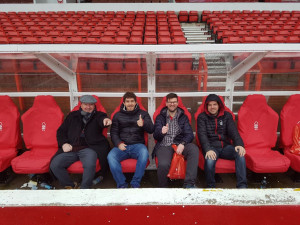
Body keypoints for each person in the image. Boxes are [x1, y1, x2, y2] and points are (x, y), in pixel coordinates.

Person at [50, 95, 111, 189]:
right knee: (55, 164)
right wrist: (64, 143)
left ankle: (84, 188)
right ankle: (69, 185)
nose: (88, 107)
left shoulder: (99, 115)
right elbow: (61, 131)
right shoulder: (72, 115)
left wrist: (106, 120)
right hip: (71, 147)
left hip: (89, 148)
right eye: (85, 104)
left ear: (94, 106)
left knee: (90, 165)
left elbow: (102, 119)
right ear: (81, 105)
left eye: (91, 105)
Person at [197, 94, 247, 188]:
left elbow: (234, 132)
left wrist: (239, 144)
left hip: (225, 147)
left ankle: (242, 186)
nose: (212, 107)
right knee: (210, 161)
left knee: (240, 154)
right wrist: (207, 149)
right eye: (210, 105)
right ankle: (211, 187)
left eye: (214, 104)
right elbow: (202, 135)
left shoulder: (226, 116)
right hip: (211, 147)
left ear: (219, 105)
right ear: (206, 106)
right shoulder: (202, 117)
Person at [108, 92, 154, 188]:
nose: (130, 103)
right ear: (124, 103)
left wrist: (143, 124)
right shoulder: (117, 115)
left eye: (132, 101)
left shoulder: (143, 114)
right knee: (110, 156)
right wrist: (118, 143)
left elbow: (151, 129)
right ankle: (122, 184)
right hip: (122, 145)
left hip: (138, 145)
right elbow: (114, 133)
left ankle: (135, 183)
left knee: (144, 153)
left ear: (136, 102)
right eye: (127, 101)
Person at [153, 93, 199, 188]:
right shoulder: (160, 117)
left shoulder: (183, 116)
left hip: (180, 143)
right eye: (170, 102)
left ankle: (189, 184)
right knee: (164, 164)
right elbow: (156, 135)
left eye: (174, 102)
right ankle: (163, 188)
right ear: (166, 103)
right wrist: (161, 132)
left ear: (178, 103)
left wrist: (183, 143)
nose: (172, 104)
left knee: (194, 149)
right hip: (164, 144)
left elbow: (189, 134)